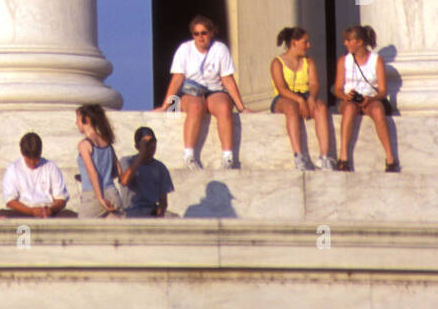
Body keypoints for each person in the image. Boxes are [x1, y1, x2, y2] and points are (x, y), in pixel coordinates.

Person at [156, 15, 252, 169]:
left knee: (224, 107)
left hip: (214, 90)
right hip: (190, 92)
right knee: (196, 107)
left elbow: (227, 79)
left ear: (211, 33)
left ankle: (228, 157)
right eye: (196, 33)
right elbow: (177, 79)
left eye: (204, 33)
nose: (200, 37)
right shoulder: (184, 49)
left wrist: (241, 107)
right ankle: (189, 155)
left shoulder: (220, 49)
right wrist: (166, 105)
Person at [333, 25, 398, 171]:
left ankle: (390, 157)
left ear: (360, 42)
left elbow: (382, 91)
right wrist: (346, 96)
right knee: (349, 108)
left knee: (377, 110)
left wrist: (371, 98)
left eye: (349, 40)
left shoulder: (376, 60)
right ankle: (343, 157)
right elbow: (337, 89)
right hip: (350, 99)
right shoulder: (344, 61)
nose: (345, 43)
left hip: (370, 98)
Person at [270, 27, 335, 170]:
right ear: (294, 42)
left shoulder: (309, 61)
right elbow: (281, 88)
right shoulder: (277, 62)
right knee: (291, 108)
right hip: (284, 97)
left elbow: (314, 84)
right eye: (305, 42)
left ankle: (324, 157)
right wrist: (299, 100)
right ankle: (299, 156)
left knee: (321, 107)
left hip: (304, 94)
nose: (308, 45)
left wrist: (311, 98)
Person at [0, 132, 73, 218]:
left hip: (48, 212)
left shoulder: (51, 167)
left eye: (36, 159)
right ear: (22, 153)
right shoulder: (13, 169)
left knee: (72, 216)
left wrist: (51, 210)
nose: (32, 163)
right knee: (1, 216)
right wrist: (31, 211)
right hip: (23, 212)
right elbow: (10, 200)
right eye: (29, 160)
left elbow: (61, 198)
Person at [75, 105, 122, 216]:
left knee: (79, 232)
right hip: (113, 193)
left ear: (86, 119)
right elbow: (118, 171)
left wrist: (100, 198)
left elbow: (93, 173)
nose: (76, 123)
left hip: (93, 195)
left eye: (77, 119)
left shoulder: (84, 145)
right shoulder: (107, 142)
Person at [119, 126, 175, 217]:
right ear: (137, 146)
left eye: (153, 141)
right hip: (132, 210)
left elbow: (163, 201)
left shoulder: (160, 167)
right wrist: (141, 154)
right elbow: (125, 181)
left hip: (151, 211)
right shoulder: (127, 161)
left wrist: (158, 216)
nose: (151, 145)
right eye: (147, 142)